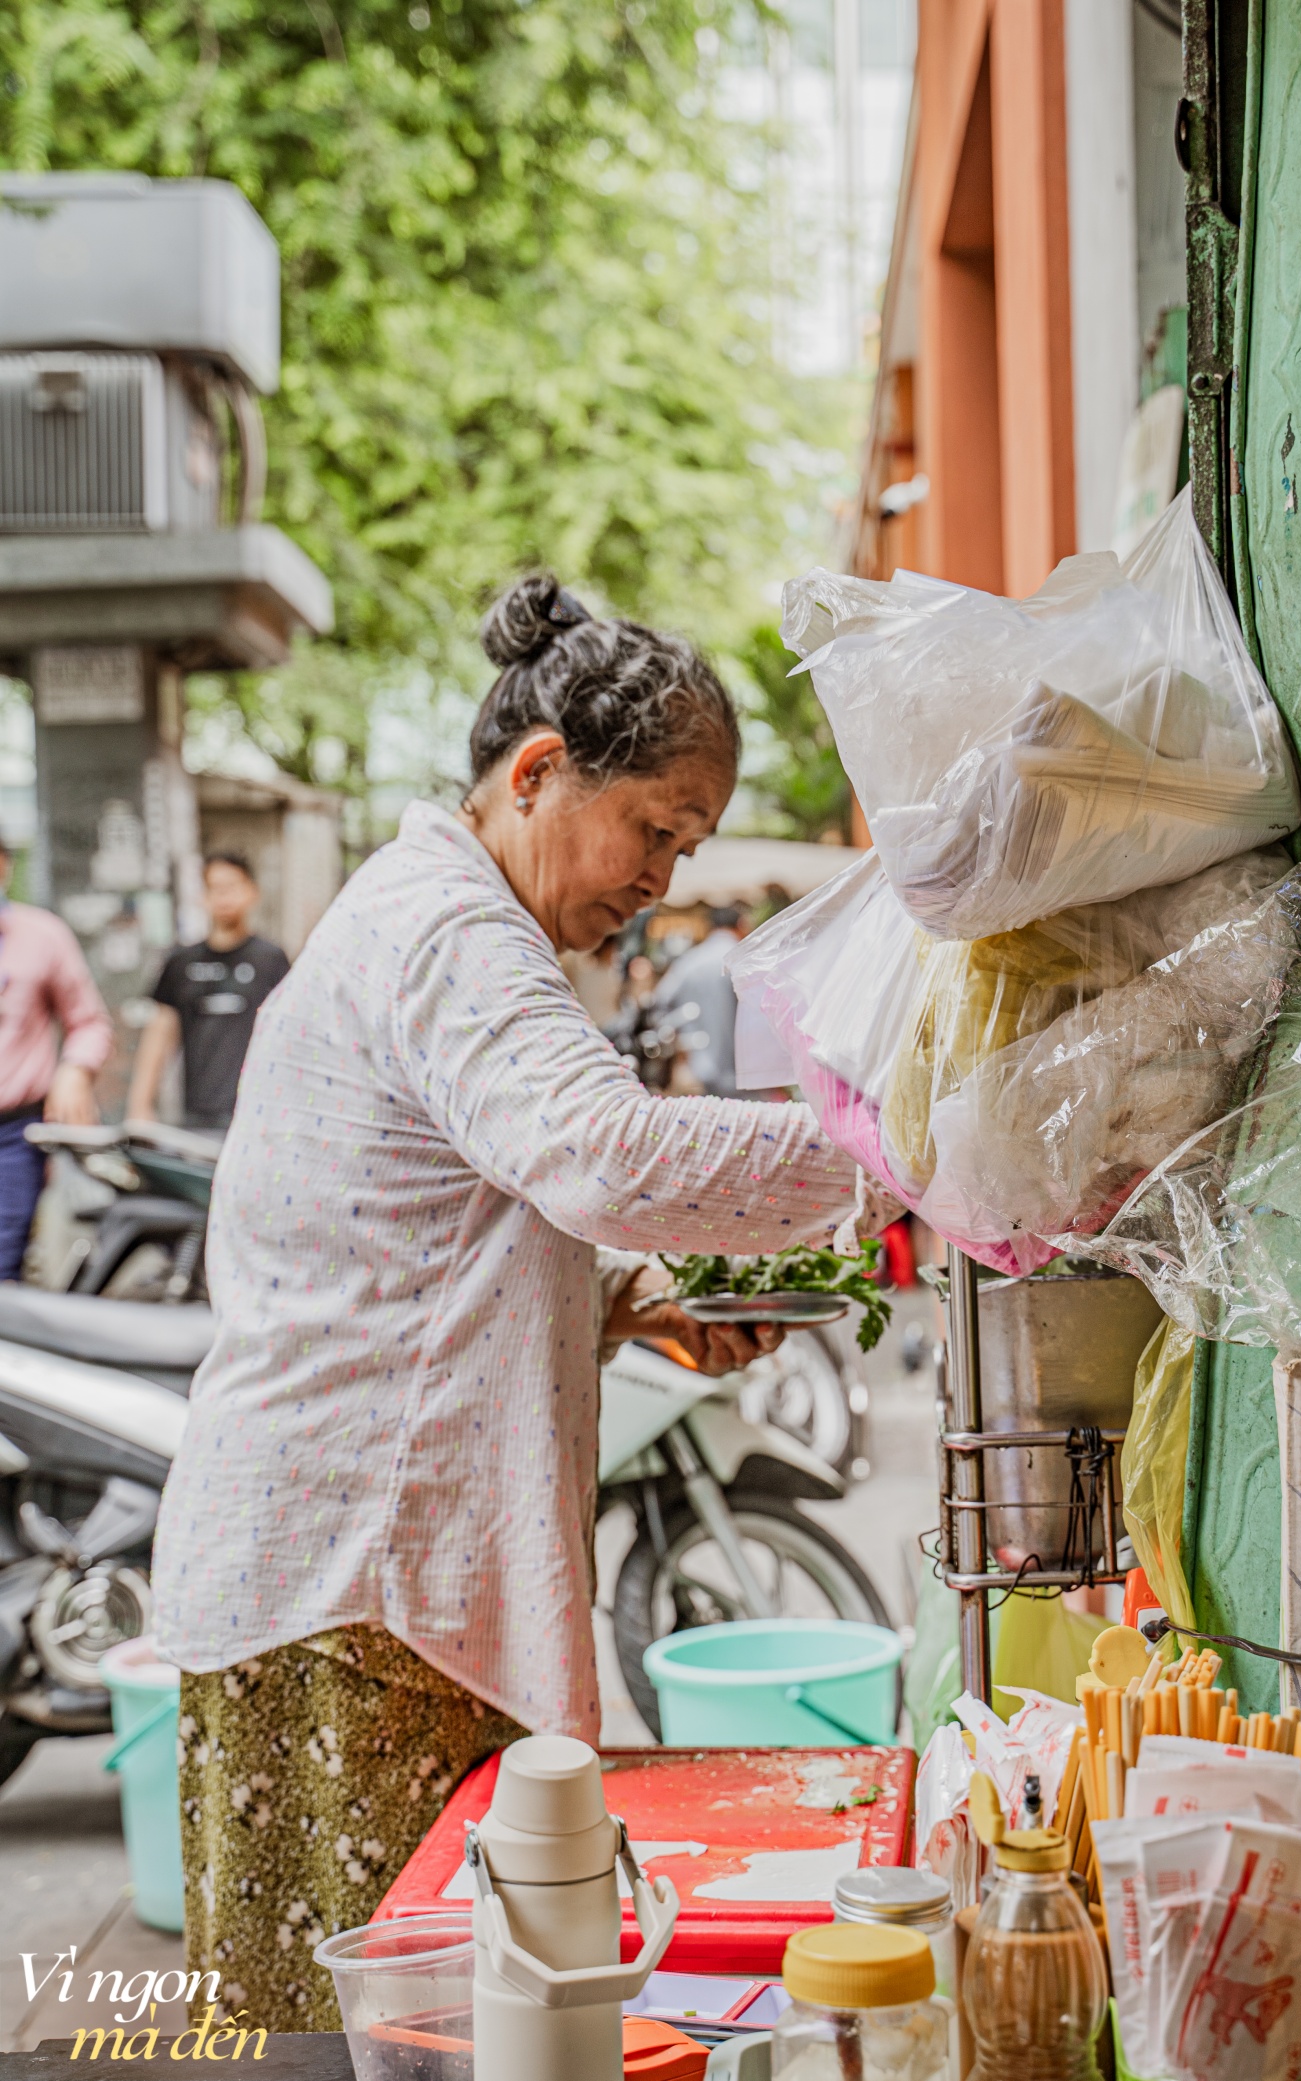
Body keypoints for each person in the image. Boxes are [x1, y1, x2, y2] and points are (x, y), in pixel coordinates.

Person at [152, 577, 886, 2028]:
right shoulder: (448, 929)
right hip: (350, 1595)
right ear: (538, 772)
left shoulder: (454, 922)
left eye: (686, 845)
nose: (662, 880)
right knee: (365, 2038)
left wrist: (641, 1294)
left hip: (365, 1583)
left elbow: (437, 1227)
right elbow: (599, 1151)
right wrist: (894, 1154)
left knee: (447, 2024)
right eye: (654, 830)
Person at [0, 834, 113, 1283]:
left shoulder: (41, 935)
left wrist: (74, 1070)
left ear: (4, 866)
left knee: (3, 1267)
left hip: (13, 1135)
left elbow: (90, 1022)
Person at [127, 851, 290, 1132]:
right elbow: (160, 1032)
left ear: (252, 892)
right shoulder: (181, 962)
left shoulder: (271, 960)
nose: (224, 897)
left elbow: (290, 1033)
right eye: (215, 888)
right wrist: (139, 1107)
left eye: (232, 887)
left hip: (258, 1113)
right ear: (202, 896)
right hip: (197, 1114)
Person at [651, 902, 747, 1096]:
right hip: (743, 1073)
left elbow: (657, 1005)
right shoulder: (743, 960)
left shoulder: (689, 962)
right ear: (740, 925)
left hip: (698, 1072)